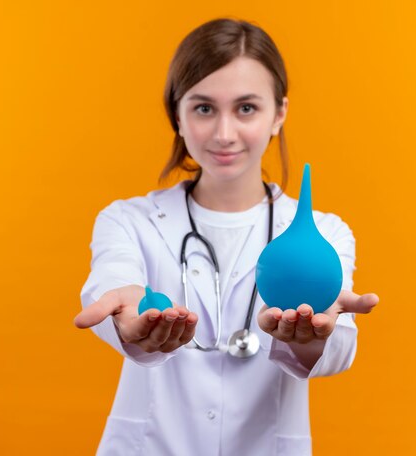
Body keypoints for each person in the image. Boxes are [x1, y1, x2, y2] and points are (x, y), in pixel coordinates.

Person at [74, 18, 379, 456]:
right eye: (203, 108)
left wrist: (312, 337)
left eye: (246, 108)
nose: (224, 133)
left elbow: (336, 347)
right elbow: (113, 280)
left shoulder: (327, 233)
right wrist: (126, 318)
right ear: (176, 116)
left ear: (279, 114)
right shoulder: (128, 221)